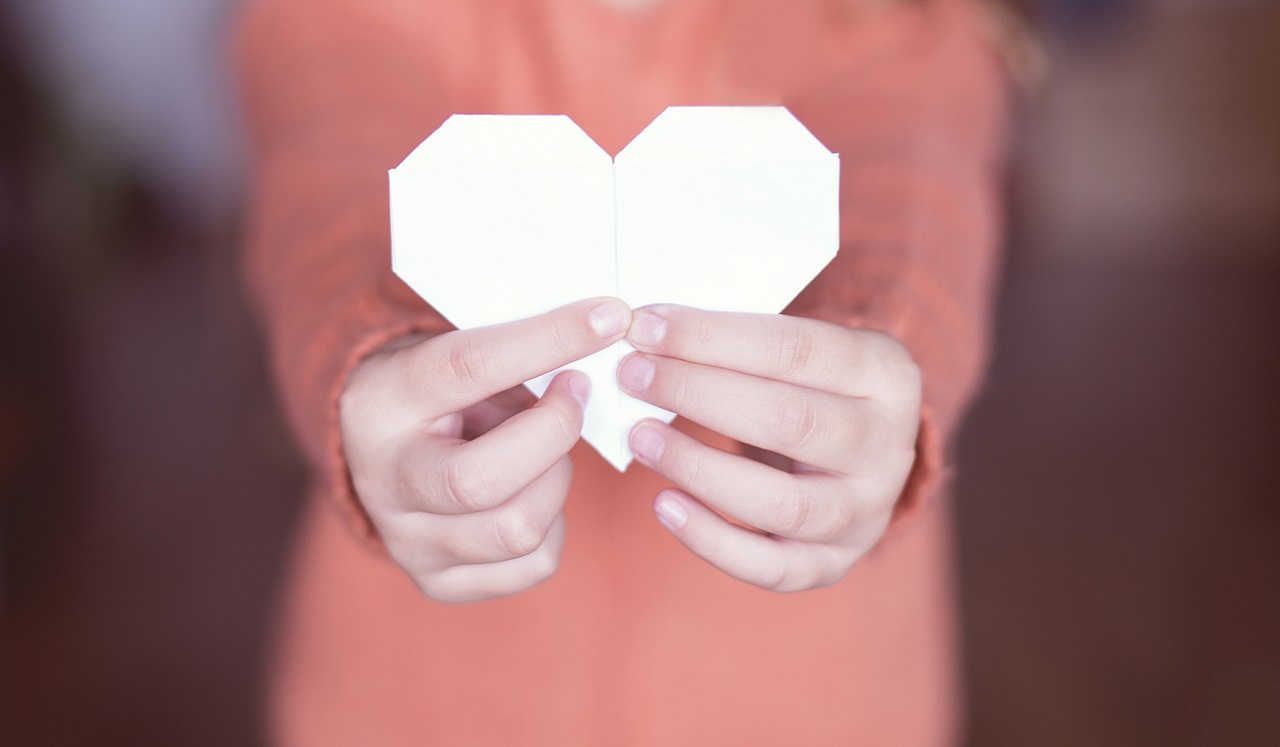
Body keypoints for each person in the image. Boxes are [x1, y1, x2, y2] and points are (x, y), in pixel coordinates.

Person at [235, 0, 1008, 743]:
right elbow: (334, 159)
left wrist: (875, 360)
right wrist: (369, 350)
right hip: (416, 703)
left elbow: (911, 185)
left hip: (814, 701)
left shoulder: (897, 20)